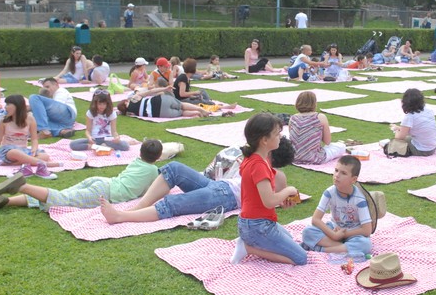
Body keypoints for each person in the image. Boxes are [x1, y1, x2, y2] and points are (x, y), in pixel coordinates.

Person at [98, 138, 295, 224]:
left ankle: (121, 217)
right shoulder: (255, 161)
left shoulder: (277, 176)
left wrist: (288, 192)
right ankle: (138, 207)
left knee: (174, 203)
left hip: (226, 197)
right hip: (220, 186)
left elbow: (272, 201)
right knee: (174, 168)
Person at [0, 139, 163, 211]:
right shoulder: (154, 171)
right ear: (158, 157)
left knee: (61, 195)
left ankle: (8, 201)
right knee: (60, 199)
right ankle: (21, 186)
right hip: (106, 192)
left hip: (101, 181)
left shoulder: (135, 162)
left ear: (140, 153)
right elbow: (152, 191)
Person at [231, 113, 306, 265]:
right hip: (258, 227)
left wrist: (283, 201)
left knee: (290, 240)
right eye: (277, 134)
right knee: (300, 258)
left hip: (253, 223)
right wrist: (288, 190)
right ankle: (248, 248)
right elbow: (269, 201)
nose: (280, 137)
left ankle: (249, 242)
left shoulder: (256, 158)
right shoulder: (258, 164)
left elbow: (260, 197)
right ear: (264, 140)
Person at [300, 155, 373, 257]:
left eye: (343, 173)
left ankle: (322, 250)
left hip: (352, 233)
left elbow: (367, 230)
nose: (337, 175)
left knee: (365, 244)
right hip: (333, 230)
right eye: (336, 170)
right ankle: (342, 248)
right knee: (307, 232)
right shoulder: (329, 193)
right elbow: (315, 219)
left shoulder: (359, 199)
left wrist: (344, 234)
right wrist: (333, 235)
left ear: (353, 179)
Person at [0, 94, 60, 177]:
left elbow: (34, 139)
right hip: (8, 151)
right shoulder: (4, 121)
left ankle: (15, 163)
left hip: (23, 150)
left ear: (17, 106)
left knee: (45, 156)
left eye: (8, 104)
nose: (5, 107)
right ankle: (44, 164)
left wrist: (34, 149)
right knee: (14, 152)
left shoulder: (30, 119)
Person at [289, 91, 346, 164]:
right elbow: (327, 141)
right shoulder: (320, 117)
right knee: (341, 146)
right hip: (315, 158)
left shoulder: (293, 118)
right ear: (314, 103)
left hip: (294, 157)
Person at [117, 81, 210, 119]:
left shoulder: (130, 114)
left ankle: (196, 114)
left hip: (161, 113)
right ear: (126, 102)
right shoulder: (133, 98)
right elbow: (151, 91)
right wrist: (164, 89)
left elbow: (120, 112)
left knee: (181, 112)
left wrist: (120, 112)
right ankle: (200, 109)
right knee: (181, 105)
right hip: (160, 101)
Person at [389, 88, 436, 156]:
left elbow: (399, 137)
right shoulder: (429, 111)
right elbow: (418, 128)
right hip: (432, 148)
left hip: (421, 150)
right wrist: (400, 128)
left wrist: (396, 130)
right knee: (408, 138)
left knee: (394, 143)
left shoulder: (410, 116)